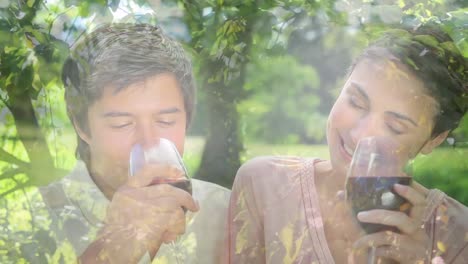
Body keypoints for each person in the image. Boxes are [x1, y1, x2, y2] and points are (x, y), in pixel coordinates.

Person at [224, 21, 468, 263]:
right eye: (356, 102)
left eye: (395, 127)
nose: (361, 135)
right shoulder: (263, 184)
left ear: (433, 140)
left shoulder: (459, 235)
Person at [39, 23, 230, 263]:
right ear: (80, 124)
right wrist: (113, 247)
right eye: (121, 123)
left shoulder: (226, 212)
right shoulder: (32, 218)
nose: (149, 142)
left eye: (166, 120)